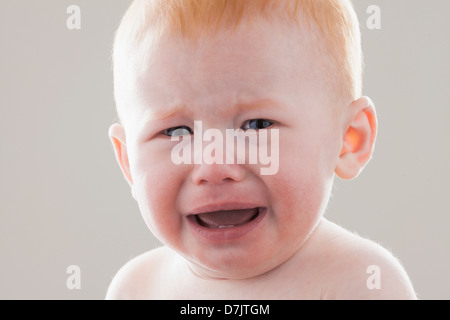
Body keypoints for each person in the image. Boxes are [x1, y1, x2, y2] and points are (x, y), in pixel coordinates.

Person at [106, 0, 416, 299]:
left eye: (257, 125)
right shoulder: (135, 288)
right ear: (129, 163)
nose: (215, 167)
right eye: (176, 132)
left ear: (348, 139)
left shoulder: (361, 281)